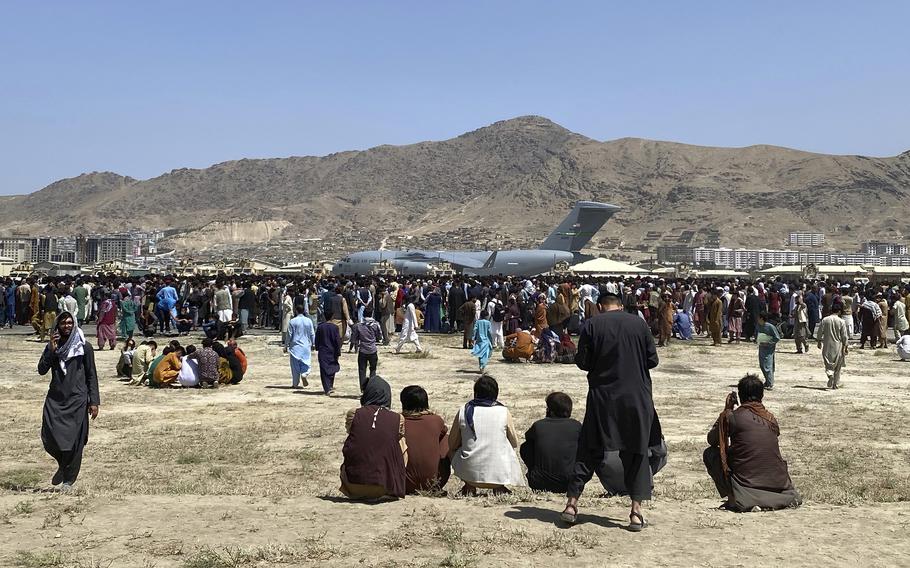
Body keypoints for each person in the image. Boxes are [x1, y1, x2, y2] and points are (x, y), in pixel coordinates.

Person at [562, 293, 661, 532]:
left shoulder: (592, 324)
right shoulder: (639, 323)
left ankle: (571, 505)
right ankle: (636, 511)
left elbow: (583, 361)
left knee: (589, 448)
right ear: (620, 305)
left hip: (602, 397)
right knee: (636, 452)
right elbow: (652, 360)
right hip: (636, 397)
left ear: (599, 306)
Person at [703, 374, 801, 512]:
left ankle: (734, 498)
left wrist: (726, 411)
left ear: (740, 396)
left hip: (746, 482)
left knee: (710, 454)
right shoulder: (770, 418)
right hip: (779, 483)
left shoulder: (733, 416)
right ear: (762, 395)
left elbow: (712, 440)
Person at [37, 312, 100, 491]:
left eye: (70, 322)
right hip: (56, 398)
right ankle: (62, 464)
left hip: (78, 399)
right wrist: (51, 350)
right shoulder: (53, 346)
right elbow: (41, 370)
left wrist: (94, 401)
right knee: (49, 436)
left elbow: (91, 375)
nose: (67, 325)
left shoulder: (84, 347)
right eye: (63, 323)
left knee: (75, 441)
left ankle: (69, 479)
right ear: (58, 325)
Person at [449, 375, 526, 496]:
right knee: (507, 448)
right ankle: (500, 487)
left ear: (476, 392)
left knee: (452, 450)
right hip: (498, 476)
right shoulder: (503, 411)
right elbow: (514, 442)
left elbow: (452, 443)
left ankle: (469, 486)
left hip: (469, 474)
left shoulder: (464, 410)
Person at [339, 376, 407, 500]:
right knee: (401, 441)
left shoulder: (353, 414)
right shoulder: (398, 418)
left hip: (353, 485)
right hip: (384, 487)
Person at [520, 392, 582, 493]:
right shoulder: (577, 426)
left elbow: (527, 443)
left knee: (526, 446)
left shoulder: (538, 425)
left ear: (551, 411)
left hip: (539, 482)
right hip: (570, 483)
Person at [400, 385, 451, 494]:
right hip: (433, 483)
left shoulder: (397, 422)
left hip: (403, 484)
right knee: (445, 439)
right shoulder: (436, 420)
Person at [816, 303, 850, 390]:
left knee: (828, 363)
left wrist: (819, 341)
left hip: (827, 345)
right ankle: (835, 384)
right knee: (838, 366)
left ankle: (829, 374)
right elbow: (844, 336)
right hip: (838, 345)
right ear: (839, 311)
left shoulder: (825, 320)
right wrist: (845, 346)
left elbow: (820, 332)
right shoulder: (841, 321)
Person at [287, 302, 315, 388]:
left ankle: (295, 383)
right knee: (306, 363)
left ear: (296, 311)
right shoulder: (308, 321)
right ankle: (304, 373)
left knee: (295, 367)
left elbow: (289, 335)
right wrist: (313, 343)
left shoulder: (292, 321)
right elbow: (312, 334)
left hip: (295, 347)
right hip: (306, 346)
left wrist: (286, 345)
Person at [351, 315, 383, 390]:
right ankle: (371, 388)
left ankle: (363, 389)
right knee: (373, 370)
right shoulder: (376, 325)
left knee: (362, 370)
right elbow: (380, 337)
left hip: (362, 351)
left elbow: (354, 338)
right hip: (372, 350)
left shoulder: (359, 326)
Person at [314, 317, 341, 395]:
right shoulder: (335, 327)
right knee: (332, 367)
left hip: (323, 351)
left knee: (323, 370)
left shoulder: (320, 327)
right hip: (333, 351)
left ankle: (327, 388)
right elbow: (337, 341)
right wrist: (338, 352)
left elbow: (317, 339)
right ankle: (330, 386)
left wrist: (317, 347)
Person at [756, 312, 781, 389]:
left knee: (768, 365)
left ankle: (770, 383)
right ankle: (767, 381)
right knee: (762, 365)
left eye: (758, 318)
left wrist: (768, 343)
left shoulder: (770, 327)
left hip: (768, 349)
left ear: (762, 318)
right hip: (761, 348)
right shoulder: (759, 326)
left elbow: (777, 337)